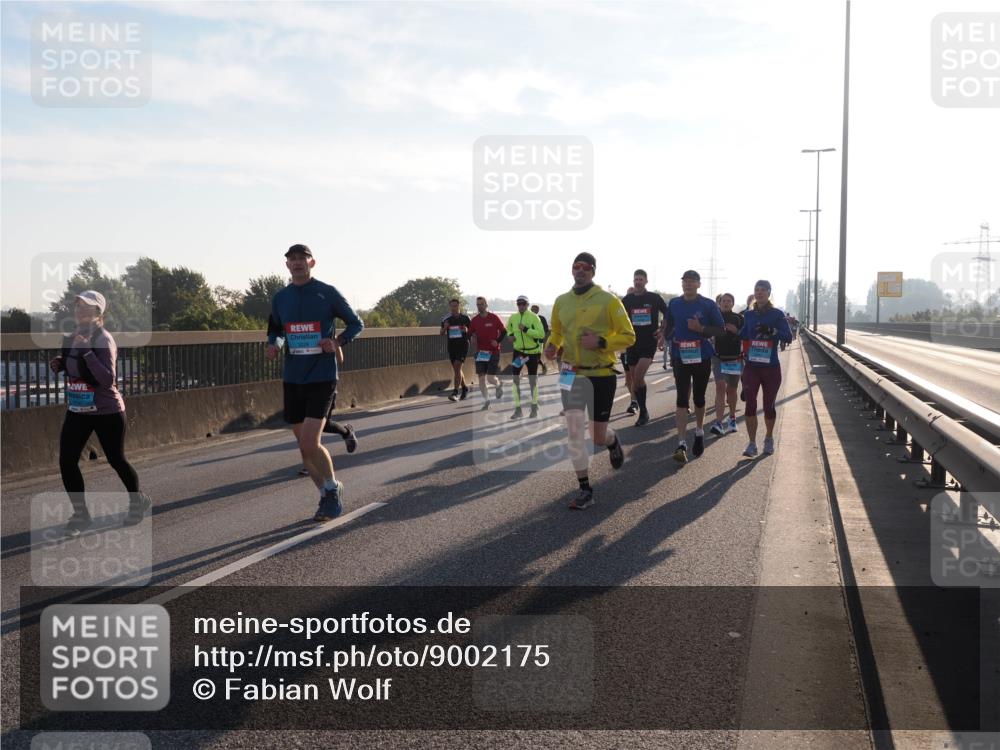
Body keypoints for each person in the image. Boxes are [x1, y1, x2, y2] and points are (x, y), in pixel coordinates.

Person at [267, 244, 363, 522]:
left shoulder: (327, 292)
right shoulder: (281, 297)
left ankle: (332, 491)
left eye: (302, 258)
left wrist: (337, 341)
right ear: (287, 265)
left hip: (322, 375)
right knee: (303, 447)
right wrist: (274, 344)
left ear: (312, 263)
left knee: (311, 441)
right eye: (292, 259)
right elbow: (276, 329)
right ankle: (324, 492)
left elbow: (357, 323)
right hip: (293, 376)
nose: (297, 263)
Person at [49, 291, 150, 536]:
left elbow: (107, 380)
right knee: (67, 461)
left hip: (107, 410)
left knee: (116, 459)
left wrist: (86, 352)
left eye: (88, 307)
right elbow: (74, 366)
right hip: (78, 409)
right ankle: (81, 516)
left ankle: (137, 502)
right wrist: (61, 364)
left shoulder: (104, 339)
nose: (81, 310)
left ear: (98, 313)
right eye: (78, 306)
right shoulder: (72, 337)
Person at [545, 252, 635, 509]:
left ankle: (612, 441)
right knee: (574, 431)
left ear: (593, 272)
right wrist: (552, 346)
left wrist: (602, 342)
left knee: (596, 436)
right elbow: (558, 332)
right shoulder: (562, 301)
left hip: (601, 374)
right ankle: (585, 489)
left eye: (586, 267)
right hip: (571, 373)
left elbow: (629, 336)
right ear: (571, 270)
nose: (580, 271)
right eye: (576, 267)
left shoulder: (609, 300)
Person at [269, 314, 357, 467]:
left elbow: (340, 359)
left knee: (324, 424)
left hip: (324, 382)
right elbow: (278, 334)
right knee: (304, 425)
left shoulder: (329, 335)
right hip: (300, 383)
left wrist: (332, 346)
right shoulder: (294, 333)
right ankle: (310, 461)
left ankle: (346, 432)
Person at [660, 270, 725, 463]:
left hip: (702, 355)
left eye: (691, 281)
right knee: (681, 399)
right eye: (685, 281)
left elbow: (720, 331)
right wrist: (664, 334)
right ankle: (681, 442)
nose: (687, 284)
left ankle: (698, 431)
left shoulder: (708, 305)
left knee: (698, 397)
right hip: (681, 355)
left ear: (698, 284)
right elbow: (669, 324)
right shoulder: (675, 303)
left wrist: (701, 329)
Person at [738, 280, 793, 457]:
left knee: (768, 406)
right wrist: (728, 332)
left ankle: (768, 438)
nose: (759, 293)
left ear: (769, 293)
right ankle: (752, 443)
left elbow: (788, 336)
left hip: (770, 368)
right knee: (750, 405)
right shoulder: (749, 315)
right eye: (756, 290)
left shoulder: (777, 314)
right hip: (752, 366)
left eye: (763, 290)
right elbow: (744, 334)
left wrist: (772, 330)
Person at [621, 272, 669, 426]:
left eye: (641, 279)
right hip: (632, 343)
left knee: (639, 376)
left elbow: (668, 314)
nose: (638, 282)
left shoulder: (654, 298)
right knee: (635, 379)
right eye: (635, 279)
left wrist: (662, 330)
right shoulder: (627, 300)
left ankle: (643, 412)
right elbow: (617, 318)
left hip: (649, 342)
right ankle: (643, 411)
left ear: (646, 281)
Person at [709, 293, 744, 436]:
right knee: (720, 386)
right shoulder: (715, 317)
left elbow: (746, 335)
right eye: (724, 301)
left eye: (729, 301)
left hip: (734, 358)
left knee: (732, 390)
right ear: (719, 303)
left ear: (733, 303)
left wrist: (737, 331)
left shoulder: (739, 318)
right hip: (718, 357)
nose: (726, 303)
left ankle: (732, 418)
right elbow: (707, 332)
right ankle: (718, 422)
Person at [506, 295, 545, 420]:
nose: (521, 306)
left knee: (532, 381)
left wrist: (526, 329)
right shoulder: (513, 317)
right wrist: (510, 336)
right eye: (519, 304)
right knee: (515, 380)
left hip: (532, 353)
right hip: (519, 353)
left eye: (523, 304)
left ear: (527, 305)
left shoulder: (534, 318)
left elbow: (541, 334)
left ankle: (534, 406)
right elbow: (508, 329)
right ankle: (518, 410)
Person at [467, 297, 506, 410]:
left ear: (486, 305)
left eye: (482, 304)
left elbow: (504, 332)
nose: (480, 306)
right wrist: (472, 338)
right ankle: (486, 401)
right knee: (481, 378)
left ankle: (498, 384)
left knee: (490, 379)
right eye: (478, 304)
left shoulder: (494, 318)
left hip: (493, 351)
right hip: (481, 353)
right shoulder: (474, 320)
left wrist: (497, 341)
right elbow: (469, 334)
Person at [439, 299, 471, 402]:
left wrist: (467, 330)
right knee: (457, 370)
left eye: (456, 306)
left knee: (457, 367)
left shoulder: (465, 318)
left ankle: (455, 392)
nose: (454, 308)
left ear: (459, 306)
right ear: (450, 307)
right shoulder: (445, 319)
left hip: (463, 345)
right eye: (452, 306)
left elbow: (472, 332)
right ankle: (465, 388)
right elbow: (441, 333)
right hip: (452, 346)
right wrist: (445, 328)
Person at [619, 286, 636, 413]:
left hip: (639, 347)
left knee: (636, 376)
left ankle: (634, 400)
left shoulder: (639, 309)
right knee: (629, 377)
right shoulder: (621, 310)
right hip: (625, 349)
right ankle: (634, 399)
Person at [531, 304, 550, 375]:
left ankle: (543, 366)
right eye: (532, 309)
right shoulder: (528, 318)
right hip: (529, 341)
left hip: (539, 341)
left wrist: (540, 333)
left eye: (535, 309)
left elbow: (546, 329)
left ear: (538, 311)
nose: (533, 311)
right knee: (529, 356)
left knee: (537, 357)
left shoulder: (542, 318)